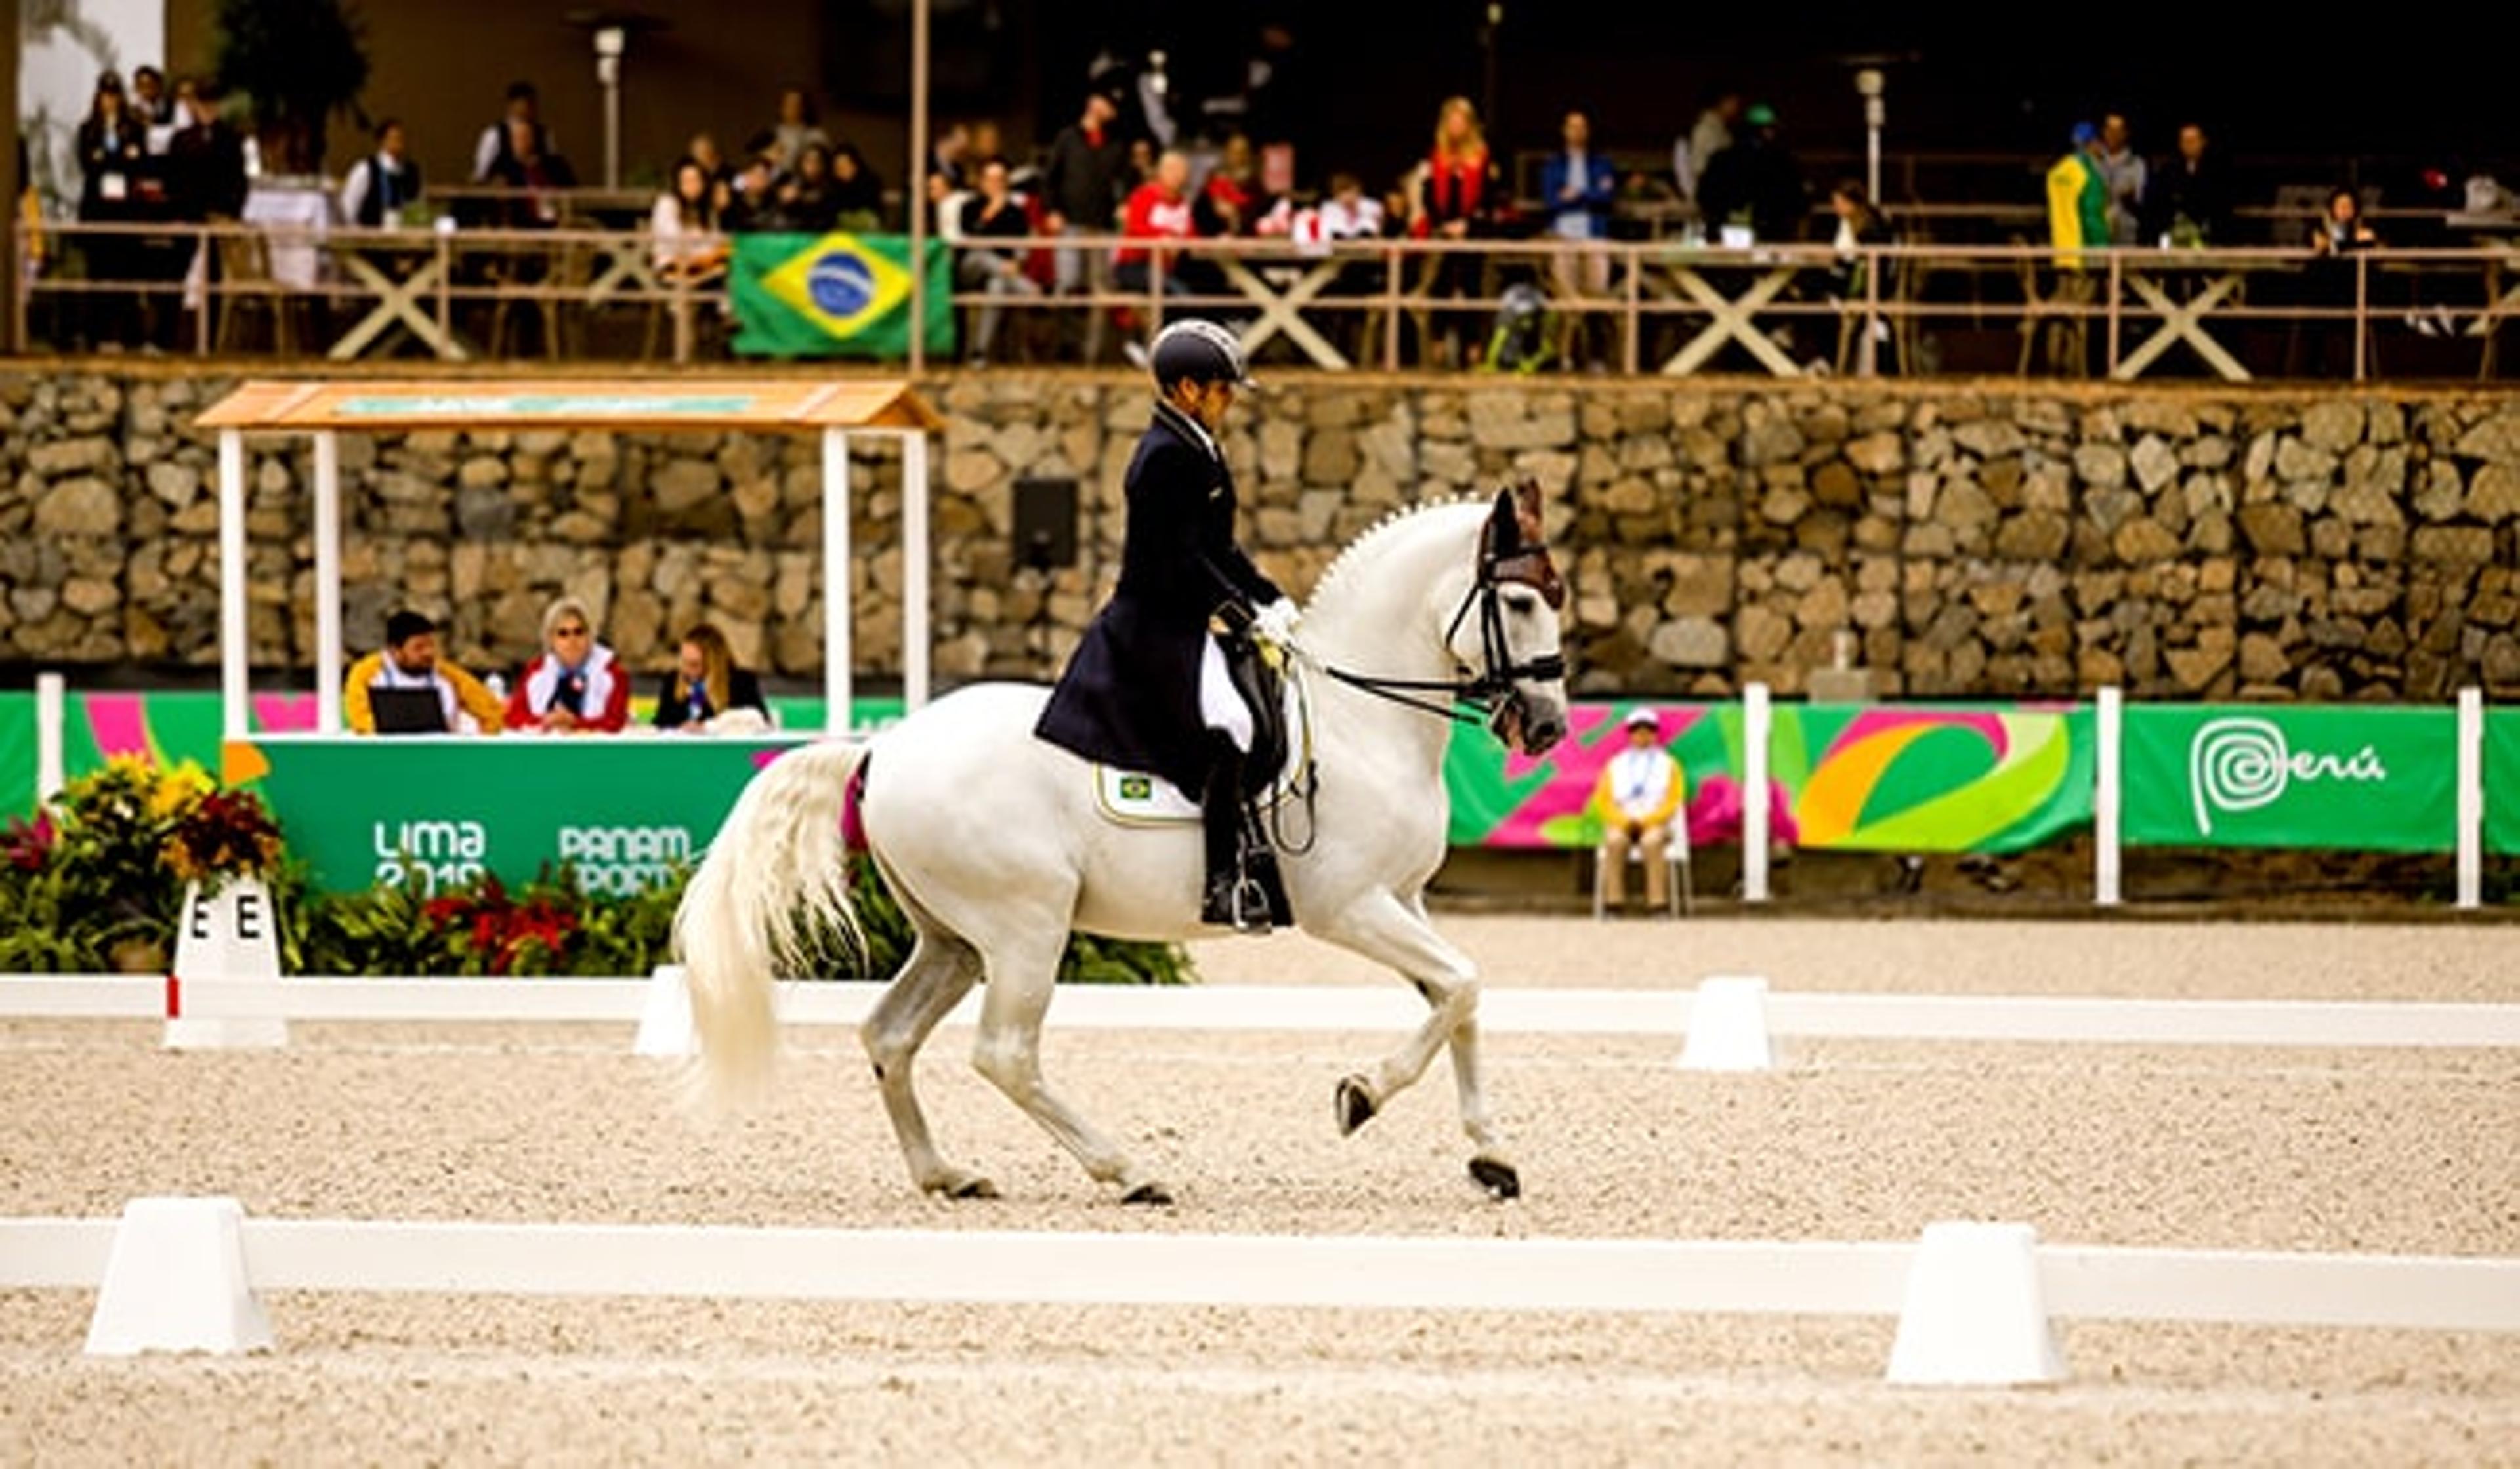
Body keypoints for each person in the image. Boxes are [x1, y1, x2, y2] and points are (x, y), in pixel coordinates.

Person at [1036, 320, 1299, 932]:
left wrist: (1270, 598)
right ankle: (1223, 882)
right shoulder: (1163, 457)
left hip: (1186, 614)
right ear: (1187, 388)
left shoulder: (1198, 446)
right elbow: (1178, 561)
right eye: (1222, 390)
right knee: (1232, 723)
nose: (1230, 400)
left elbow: (1219, 549)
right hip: (1154, 625)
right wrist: (1241, 612)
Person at [1409, 96, 1503, 367]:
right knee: (1440, 285)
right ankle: (1437, 346)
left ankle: (1472, 347)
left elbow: (1490, 199)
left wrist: (1468, 224)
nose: (1456, 126)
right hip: (1442, 232)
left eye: (1461, 121)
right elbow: (1429, 197)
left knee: (1472, 286)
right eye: (1452, 121)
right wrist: (1443, 225)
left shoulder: (1483, 158)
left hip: (1474, 232)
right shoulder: (1435, 157)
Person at [1043, 87, 1131, 362]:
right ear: (1093, 104)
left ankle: (1091, 354)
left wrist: (1123, 205)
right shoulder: (1067, 138)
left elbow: (1125, 181)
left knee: (1100, 289)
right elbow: (1050, 178)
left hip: (1102, 226)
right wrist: (1052, 210)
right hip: (1070, 223)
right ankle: (1066, 346)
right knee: (1067, 285)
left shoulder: (1116, 144)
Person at [74, 70, 148, 349]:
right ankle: (95, 333)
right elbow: (89, 164)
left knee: (126, 273)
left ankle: (130, 335)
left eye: (115, 96)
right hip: (98, 208)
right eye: (106, 96)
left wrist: (112, 159)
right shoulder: (88, 129)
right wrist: (113, 159)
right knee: (98, 272)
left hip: (125, 209)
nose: (110, 102)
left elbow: (138, 163)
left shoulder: (133, 128)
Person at [344, 610, 505, 735]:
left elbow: (491, 713)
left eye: (431, 645)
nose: (428, 653)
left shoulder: (447, 674)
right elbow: (361, 721)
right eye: (419, 647)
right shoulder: (366, 674)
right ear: (395, 651)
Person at [1542, 107, 1618, 369]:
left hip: (1593, 234)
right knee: (1566, 297)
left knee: (1597, 294)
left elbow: (1607, 198)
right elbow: (1551, 201)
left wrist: (1576, 194)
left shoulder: (1601, 163)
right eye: (1572, 126)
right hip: (1562, 235)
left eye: (1581, 126)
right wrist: (1590, 193)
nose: (1577, 131)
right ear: (1564, 131)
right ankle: (1566, 355)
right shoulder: (1553, 165)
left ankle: (1596, 356)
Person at [1591, 708, 1686, 913]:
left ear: (1655, 734)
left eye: (1648, 731)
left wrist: (1650, 820)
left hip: (1656, 823)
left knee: (1651, 843)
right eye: (1637, 731)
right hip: (1623, 820)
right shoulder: (1615, 764)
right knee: (1615, 842)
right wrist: (1623, 820)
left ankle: (1657, 903)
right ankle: (1614, 903)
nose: (1642, 736)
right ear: (1630, 734)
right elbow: (1604, 800)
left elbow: (1673, 801)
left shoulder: (1669, 765)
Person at [957, 157, 1043, 364]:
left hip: (1003, 273)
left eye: (1000, 180)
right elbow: (971, 236)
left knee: (997, 287)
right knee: (983, 254)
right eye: (991, 180)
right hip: (972, 268)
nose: (996, 185)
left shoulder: (1016, 212)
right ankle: (1028, 289)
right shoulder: (970, 206)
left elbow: (1022, 246)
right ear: (982, 182)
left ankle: (980, 352)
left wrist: (1018, 263)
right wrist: (991, 212)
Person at [505, 596, 631, 734]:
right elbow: (513, 717)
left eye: (579, 632)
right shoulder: (536, 670)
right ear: (551, 639)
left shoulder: (614, 673)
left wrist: (574, 723)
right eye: (563, 634)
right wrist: (547, 721)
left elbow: (615, 722)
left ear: (589, 636)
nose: (572, 640)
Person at [1694, 102, 1806, 245]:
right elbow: (1799, 203)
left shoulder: (1721, 160)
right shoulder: (1784, 163)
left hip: (1726, 239)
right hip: (1771, 241)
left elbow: (1704, 198)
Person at [654, 623, 767, 732]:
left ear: (714, 664)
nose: (686, 670)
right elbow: (660, 726)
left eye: (694, 664)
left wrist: (708, 727)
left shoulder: (741, 683)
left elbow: (759, 723)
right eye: (684, 662)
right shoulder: (672, 681)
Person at [2143, 123, 2231, 247]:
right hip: (2174, 233)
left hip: (2208, 235)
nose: (2189, 145)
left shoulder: (2218, 171)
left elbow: (2220, 207)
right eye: (2185, 141)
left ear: (2203, 142)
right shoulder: (2168, 171)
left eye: (2193, 140)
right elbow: (2158, 204)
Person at [650, 155, 728, 285]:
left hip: (704, 264)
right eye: (687, 181)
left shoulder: (706, 209)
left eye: (697, 180)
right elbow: (674, 241)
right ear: (678, 183)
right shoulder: (668, 204)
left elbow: (715, 239)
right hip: (673, 266)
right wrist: (704, 252)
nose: (692, 186)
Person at [340, 117, 424, 229]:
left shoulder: (412, 172)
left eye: (401, 139)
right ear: (382, 141)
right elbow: (348, 207)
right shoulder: (366, 169)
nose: (399, 144)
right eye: (394, 138)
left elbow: (419, 205)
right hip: (371, 236)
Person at [472, 82, 555, 184]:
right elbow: (482, 171)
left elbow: (553, 167)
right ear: (512, 105)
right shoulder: (494, 134)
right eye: (524, 103)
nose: (528, 109)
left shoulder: (544, 134)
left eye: (532, 104)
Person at [1676, 92, 1742, 204]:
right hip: (1709, 200)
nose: (1737, 107)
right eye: (1733, 102)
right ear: (1722, 103)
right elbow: (1700, 169)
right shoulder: (1705, 131)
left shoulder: (1723, 130)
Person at [2096, 113, 2147, 249]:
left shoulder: (2137, 164)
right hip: (2097, 235)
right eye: (2109, 130)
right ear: (2103, 132)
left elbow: (2140, 201)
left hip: (2127, 236)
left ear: (2125, 134)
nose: (2113, 135)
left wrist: (2129, 199)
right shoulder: (2093, 162)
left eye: (2118, 131)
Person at [767, 87, 830, 175]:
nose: (791, 108)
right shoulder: (770, 134)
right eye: (787, 104)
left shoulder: (816, 136)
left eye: (796, 104)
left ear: (804, 108)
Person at [826, 142, 885, 230]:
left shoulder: (870, 183)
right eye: (838, 168)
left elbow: (874, 216)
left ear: (856, 165)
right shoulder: (830, 188)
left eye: (846, 165)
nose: (842, 171)